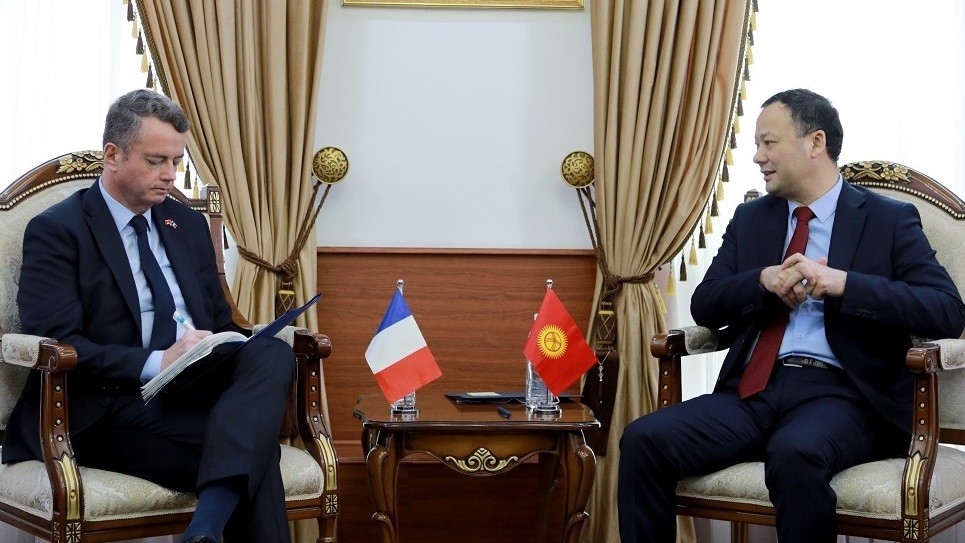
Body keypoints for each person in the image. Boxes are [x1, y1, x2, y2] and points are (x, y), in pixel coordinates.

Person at [618, 88, 965, 542]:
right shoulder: (752, 219)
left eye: (769, 143)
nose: (758, 157)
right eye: (757, 145)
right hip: (754, 390)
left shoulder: (888, 219)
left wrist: (844, 284)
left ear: (815, 142)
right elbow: (706, 303)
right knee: (643, 440)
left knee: (795, 451)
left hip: (846, 396)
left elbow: (946, 311)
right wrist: (762, 282)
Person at [2, 89, 295, 543]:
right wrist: (159, 361)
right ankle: (207, 528)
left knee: (272, 352)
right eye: (156, 161)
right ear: (113, 155)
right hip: (102, 408)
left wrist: (221, 346)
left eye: (176, 161)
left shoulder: (188, 225)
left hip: (187, 394)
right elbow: (60, 342)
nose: (170, 175)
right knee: (255, 454)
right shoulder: (59, 230)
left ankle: (204, 531)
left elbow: (220, 322)